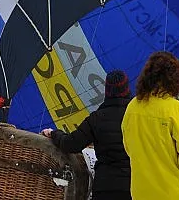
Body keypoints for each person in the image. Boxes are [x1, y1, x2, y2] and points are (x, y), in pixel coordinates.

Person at [121, 51, 179, 200]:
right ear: (175, 80)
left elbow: (128, 147)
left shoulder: (132, 107)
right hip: (174, 193)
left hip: (141, 192)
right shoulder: (176, 110)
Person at [42, 69, 132, 200]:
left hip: (105, 187)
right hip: (132, 186)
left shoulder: (96, 118)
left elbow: (71, 144)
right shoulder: (137, 118)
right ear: (127, 90)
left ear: (106, 91)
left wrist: (55, 133)